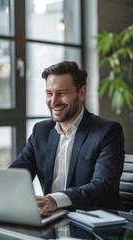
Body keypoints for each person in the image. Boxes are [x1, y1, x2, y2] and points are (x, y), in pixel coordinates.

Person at [9, 61, 125, 215]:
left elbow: (104, 186)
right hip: (52, 220)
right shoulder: (41, 130)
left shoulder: (107, 132)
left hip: (94, 223)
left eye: (61, 93)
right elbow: (16, 176)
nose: (54, 101)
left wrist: (56, 200)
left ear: (82, 93)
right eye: (49, 93)